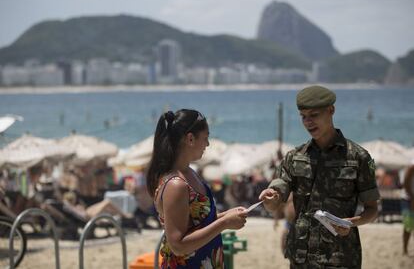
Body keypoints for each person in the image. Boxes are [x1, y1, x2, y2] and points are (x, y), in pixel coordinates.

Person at [259, 85, 380, 268]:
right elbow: (277, 194)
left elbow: (372, 209)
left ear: (331, 111)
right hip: (301, 259)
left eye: (314, 115)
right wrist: (270, 199)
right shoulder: (294, 157)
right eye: (303, 116)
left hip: (340, 259)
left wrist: (352, 223)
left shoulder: (358, 157)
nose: (308, 122)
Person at [146, 109, 247, 268]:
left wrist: (226, 216)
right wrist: (224, 223)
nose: (207, 144)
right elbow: (178, 245)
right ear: (190, 139)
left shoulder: (190, 173)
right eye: (206, 138)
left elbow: (196, 223)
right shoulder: (176, 184)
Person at [402, 163, 414, 255]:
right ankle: (405, 250)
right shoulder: (412, 166)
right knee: (408, 226)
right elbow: (405, 183)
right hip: (409, 200)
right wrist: (412, 198)